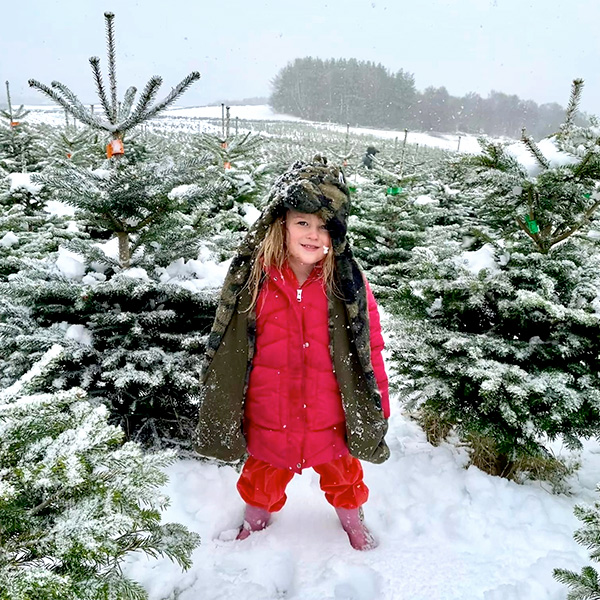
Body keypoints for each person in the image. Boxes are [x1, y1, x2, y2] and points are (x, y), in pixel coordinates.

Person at [194, 157, 390, 551]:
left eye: (324, 227)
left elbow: (370, 349)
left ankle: (353, 521)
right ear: (280, 222)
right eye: (303, 222)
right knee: (260, 477)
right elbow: (229, 350)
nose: (313, 235)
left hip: (329, 413)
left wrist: (376, 403)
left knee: (345, 477)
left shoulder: (347, 284)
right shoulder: (253, 281)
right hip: (271, 412)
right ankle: (254, 520)